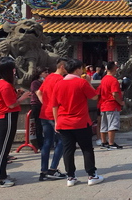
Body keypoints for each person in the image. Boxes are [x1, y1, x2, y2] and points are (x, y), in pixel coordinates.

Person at [51, 58, 103, 187]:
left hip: (63, 121)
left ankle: (70, 176)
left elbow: (54, 105)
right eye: (81, 69)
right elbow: (95, 96)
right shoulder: (81, 83)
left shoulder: (58, 84)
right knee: (86, 148)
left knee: (68, 150)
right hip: (80, 121)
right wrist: (88, 82)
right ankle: (91, 175)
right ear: (78, 69)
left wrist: (56, 122)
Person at [0, 57, 31, 188]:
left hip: (2, 117)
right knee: (2, 150)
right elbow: (11, 104)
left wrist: (16, 94)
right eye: (12, 68)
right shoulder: (5, 85)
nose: (14, 71)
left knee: (2, 149)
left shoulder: (0, 83)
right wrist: (23, 98)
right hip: (5, 117)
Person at [36, 57, 69, 182]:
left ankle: (43, 171)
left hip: (44, 113)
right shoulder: (61, 79)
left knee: (47, 142)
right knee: (61, 141)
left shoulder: (48, 77)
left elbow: (39, 92)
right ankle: (53, 169)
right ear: (62, 67)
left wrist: (45, 104)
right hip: (56, 114)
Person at [98, 62, 125, 150]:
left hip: (103, 104)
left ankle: (103, 142)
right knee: (112, 125)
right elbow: (115, 94)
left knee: (104, 125)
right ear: (114, 69)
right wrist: (120, 102)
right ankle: (111, 143)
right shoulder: (113, 80)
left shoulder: (104, 79)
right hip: (112, 105)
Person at [30, 67, 48, 150]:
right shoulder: (35, 83)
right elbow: (39, 94)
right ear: (40, 74)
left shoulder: (44, 82)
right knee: (39, 125)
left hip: (44, 105)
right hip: (37, 105)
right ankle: (40, 144)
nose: (47, 74)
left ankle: (46, 142)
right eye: (45, 72)